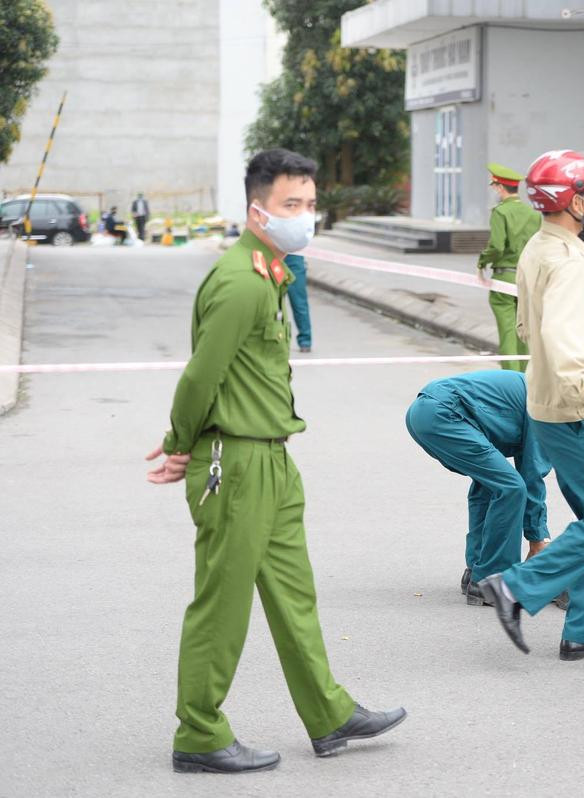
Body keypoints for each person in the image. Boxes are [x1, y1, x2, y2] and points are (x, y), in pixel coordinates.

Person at [145, 148, 405, 774]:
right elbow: (200, 376)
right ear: (257, 209)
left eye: (312, 205)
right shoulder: (240, 282)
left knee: (295, 595)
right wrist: (181, 443)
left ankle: (329, 712)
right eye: (293, 205)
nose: (305, 216)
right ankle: (199, 733)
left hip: (271, 459)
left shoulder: (269, 271)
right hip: (235, 463)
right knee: (223, 603)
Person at [475, 149, 584, 662]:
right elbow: (563, 344)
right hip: (571, 408)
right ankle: (517, 587)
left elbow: (525, 327)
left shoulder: (539, 248)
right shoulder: (564, 263)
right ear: (574, 201)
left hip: (542, 402)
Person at [405, 370, 551, 604]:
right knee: (511, 487)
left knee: (491, 485)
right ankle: (493, 579)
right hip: (443, 413)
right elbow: (532, 474)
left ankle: (476, 570)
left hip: (425, 412)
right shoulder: (549, 404)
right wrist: (538, 539)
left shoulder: (544, 388)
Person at [478, 163, 541, 371]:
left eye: (494, 186)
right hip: (527, 280)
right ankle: (526, 382)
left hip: (504, 279)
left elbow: (496, 246)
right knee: (524, 334)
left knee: (507, 334)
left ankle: (510, 385)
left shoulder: (501, 212)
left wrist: (482, 261)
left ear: (499, 187)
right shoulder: (533, 214)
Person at [285, 253, 312, 352]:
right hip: (272, 253)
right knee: (271, 302)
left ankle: (305, 340)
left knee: (299, 301)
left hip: (293, 255)